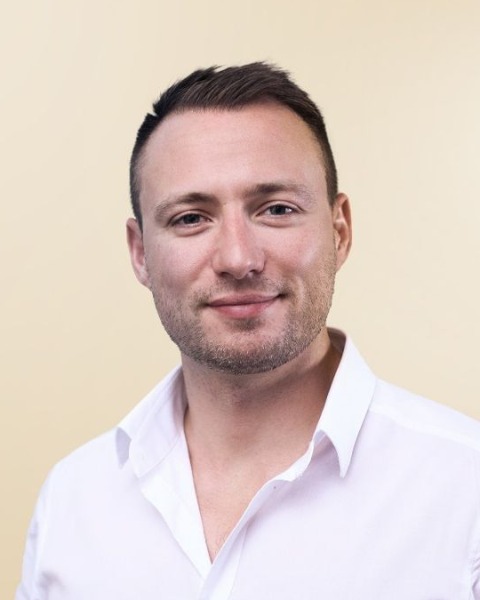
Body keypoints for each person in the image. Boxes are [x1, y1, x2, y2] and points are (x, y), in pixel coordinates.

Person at [17, 62, 480, 599]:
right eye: (191, 218)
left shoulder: (465, 488)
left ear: (339, 231)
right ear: (140, 253)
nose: (238, 259)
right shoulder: (72, 500)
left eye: (276, 209)